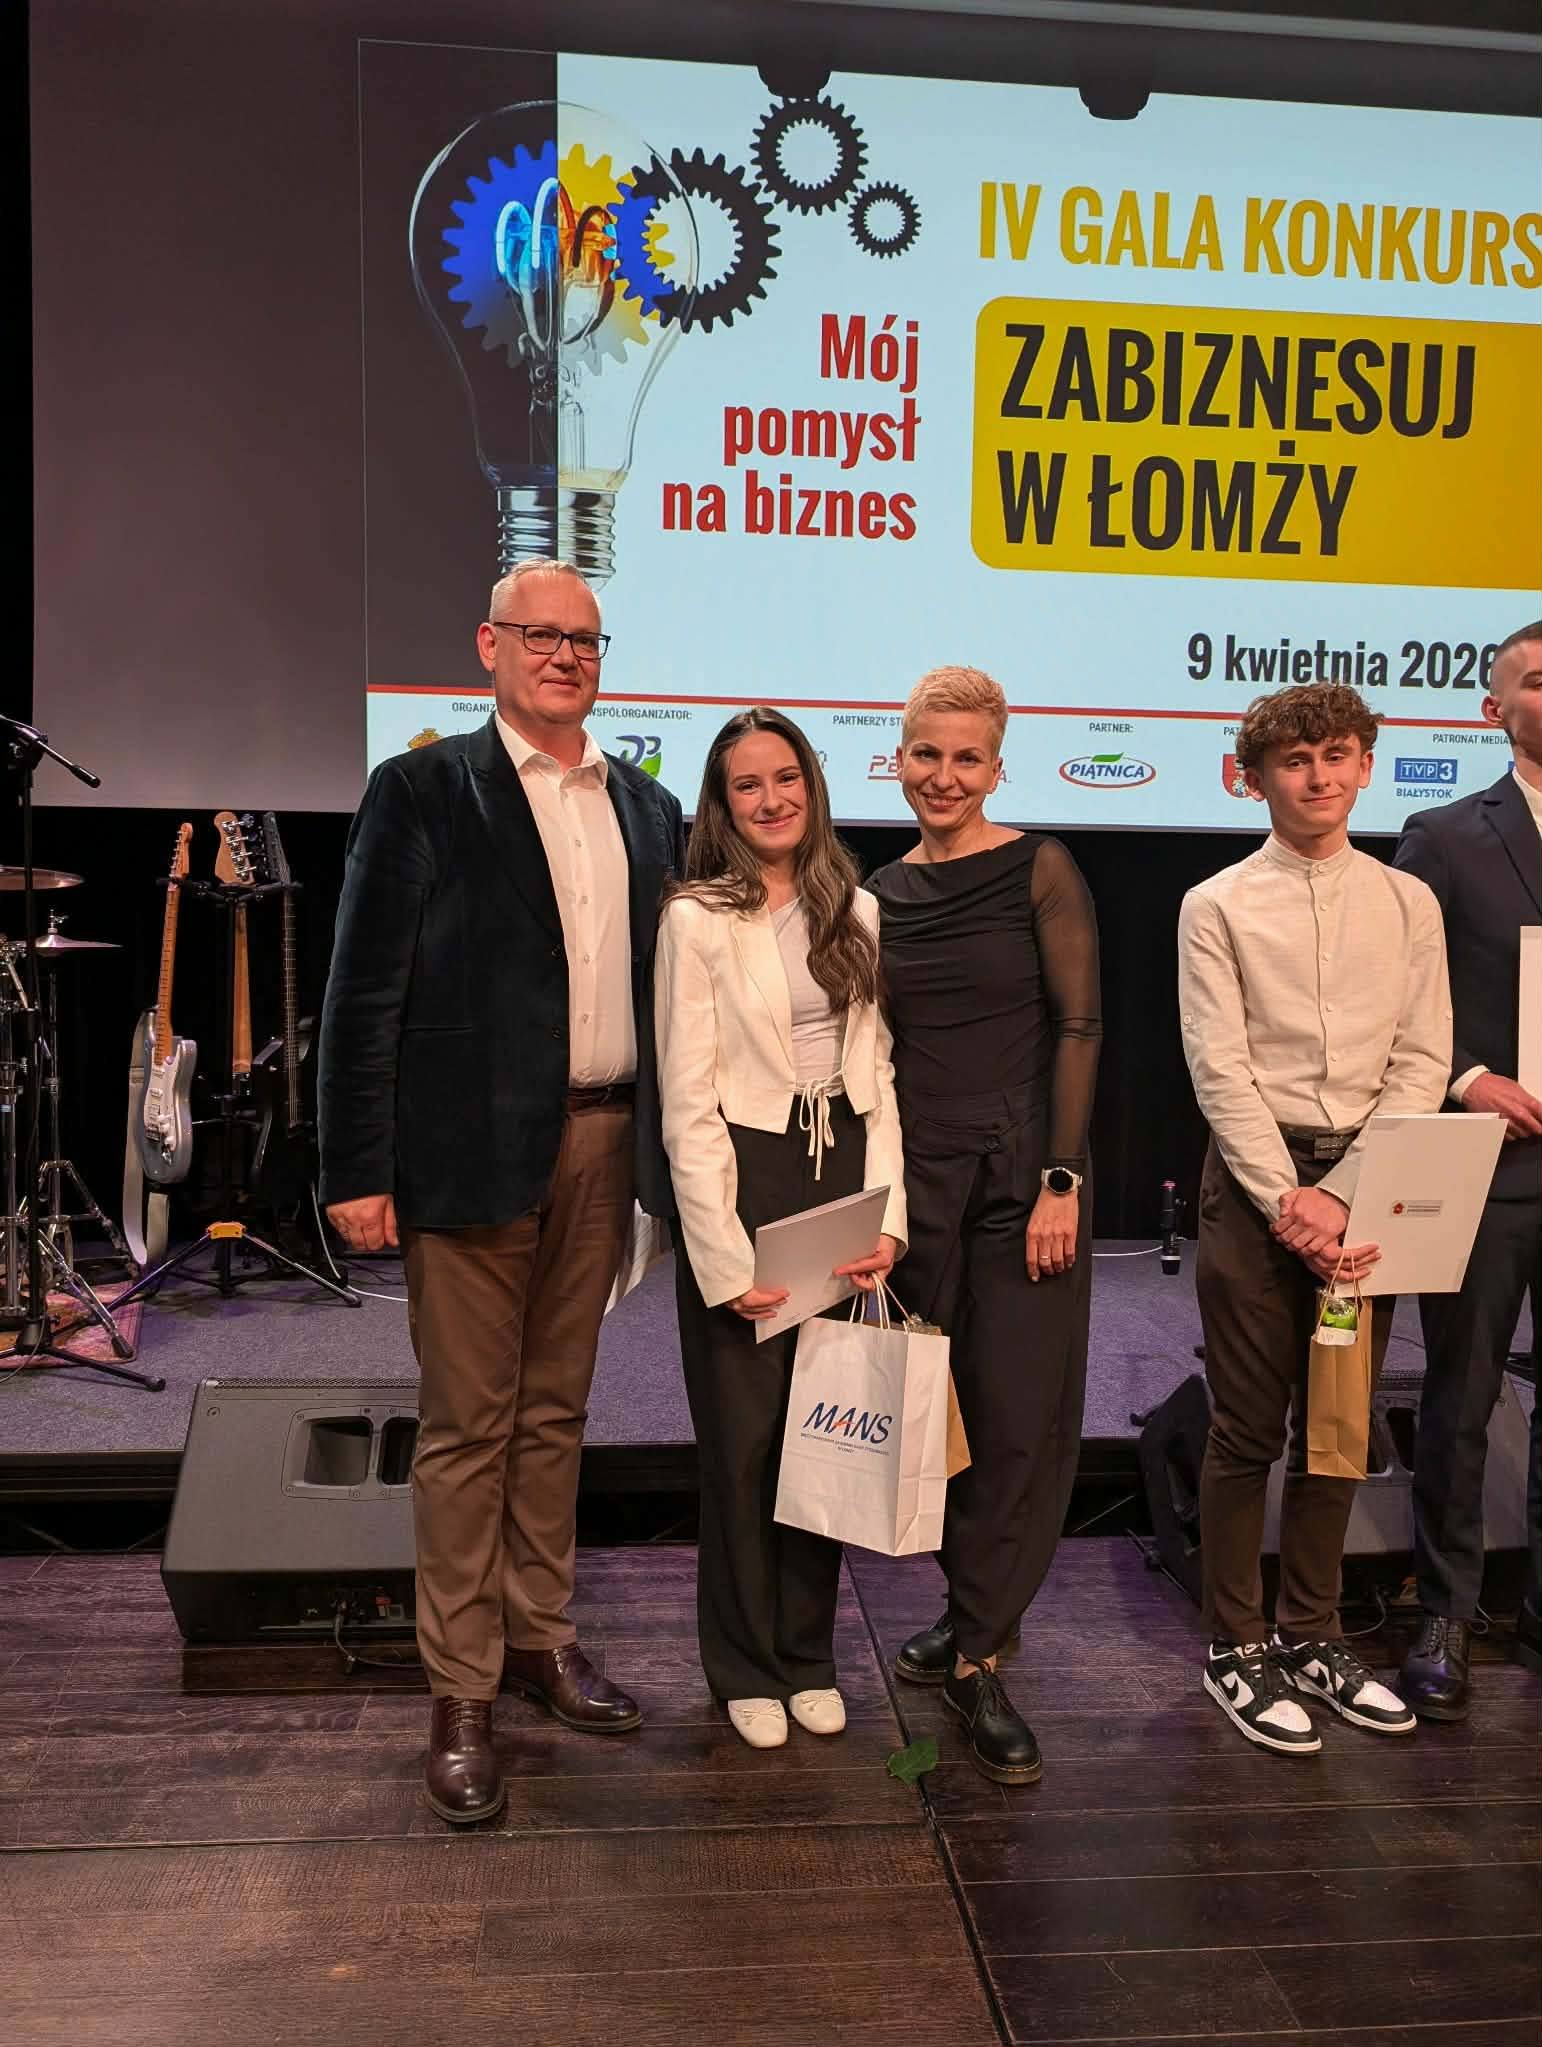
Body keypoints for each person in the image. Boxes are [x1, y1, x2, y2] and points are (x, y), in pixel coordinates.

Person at [318, 558, 685, 1825]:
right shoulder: (420, 790)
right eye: (541, 636)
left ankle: (540, 1639)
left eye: (585, 640)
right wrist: (355, 1168)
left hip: (607, 1145)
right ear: (490, 645)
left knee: (556, 1414)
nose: (565, 656)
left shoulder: (649, 806)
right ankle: (462, 1688)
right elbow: (362, 994)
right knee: (470, 1430)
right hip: (465, 1156)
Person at [1178, 681, 1451, 1756]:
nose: (1319, 776)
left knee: (1338, 1425)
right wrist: (1287, 1196)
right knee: (1249, 1427)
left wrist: (1348, 1191)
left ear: (1366, 766)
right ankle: (1235, 1644)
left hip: (1369, 1187)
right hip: (1257, 1185)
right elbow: (1219, 1065)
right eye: (1295, 760)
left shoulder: (1407, 902)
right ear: (1254, 778)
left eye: (1338, 755)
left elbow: (1423, 1058)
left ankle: (1313, 1632)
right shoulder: (1215, 904)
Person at [865, 668, 1101, 1786]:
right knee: (942, 1422)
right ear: (897, 759)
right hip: (921, 1193)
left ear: (998, 767)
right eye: (928, 754)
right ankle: (968, 1611)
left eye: (967, 758)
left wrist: (1062, 1177)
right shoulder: (877, 893)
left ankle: (981, 1661)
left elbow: (1080, 1025)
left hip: (1023, 1186)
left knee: (1016, 1422)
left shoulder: (1040, 866)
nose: (945, 776)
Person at [655, 707, 905, 1750]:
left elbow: (878, 1072)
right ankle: (745, 1664)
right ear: (723, 804)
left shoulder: (856, 904)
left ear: (812, 785)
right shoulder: (694, 918)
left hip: (839, 1173)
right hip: (747, 1178)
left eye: (786, 777)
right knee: (744, 1443)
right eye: (747, 784)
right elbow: (686, 1101)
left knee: (824, 1435)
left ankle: (808, 1656)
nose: (771, 799)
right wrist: (722, 1259)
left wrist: (890, 1220)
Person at [1394, 620, 1542, 1713]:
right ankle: (1444, 1609)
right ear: (1495, 709)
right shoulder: (1444, 836)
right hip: (1493, 1161)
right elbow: (1397, 991)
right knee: (1462, 1396)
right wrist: (1467, 1076)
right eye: (1539, 680)